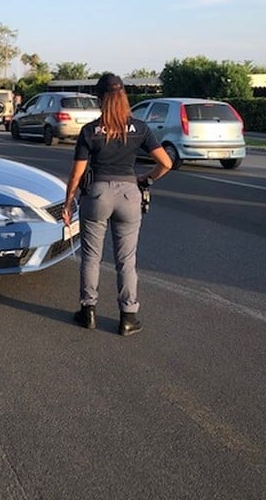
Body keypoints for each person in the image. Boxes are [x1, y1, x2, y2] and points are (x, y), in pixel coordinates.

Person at [62, 73, 172, 336]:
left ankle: (88, 311)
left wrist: (68, 203)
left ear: (100, 99)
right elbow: (166, 163)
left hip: (97, 193)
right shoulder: (139, 128)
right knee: (126, 260)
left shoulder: (90, 131)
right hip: (128, 194)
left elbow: (77, 174)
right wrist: (146, 179)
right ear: (124, 97)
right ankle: (128, 317)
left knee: (91, 256)